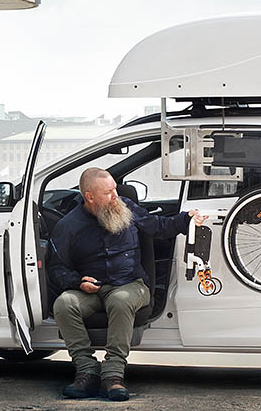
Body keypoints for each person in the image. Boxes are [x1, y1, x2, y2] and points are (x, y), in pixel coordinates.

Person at [47, 167, 207, 401]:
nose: (115, 195)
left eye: (114, 189)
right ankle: (86, 371)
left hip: (131, 285)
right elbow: (56, 269)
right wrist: (77, 282)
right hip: (93, 289)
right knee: (63, 304)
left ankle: (113, 375)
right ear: (89, 197)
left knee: (121, 300)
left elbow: (159, 226)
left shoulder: (125, 206)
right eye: (108, 192)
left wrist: (187, 219)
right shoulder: (68, 226)